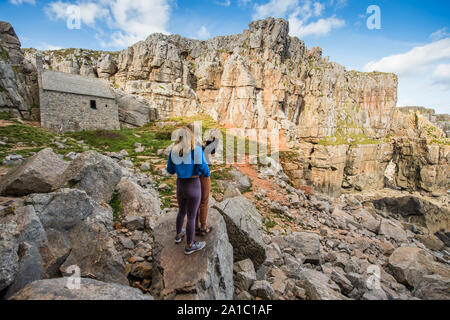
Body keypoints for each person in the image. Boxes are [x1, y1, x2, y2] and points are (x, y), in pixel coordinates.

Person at [166, 127, 210, 255]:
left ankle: (179, 235)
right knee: (191, 217)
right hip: (193, 185)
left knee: (181, 211)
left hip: (180, 185)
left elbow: (170, 170)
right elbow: (204, 169)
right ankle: (190, 245)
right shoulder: (195, 150)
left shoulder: (173, 151)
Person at [195, 129, 219, 236]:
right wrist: (214, 138)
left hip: (192, 176)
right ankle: (203, 227)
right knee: (204, 201)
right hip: (202, 175)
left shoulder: (187, 146)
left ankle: (195, 227)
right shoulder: (197, 147)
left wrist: (211, 138)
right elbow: (211, 152)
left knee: (195, 202)